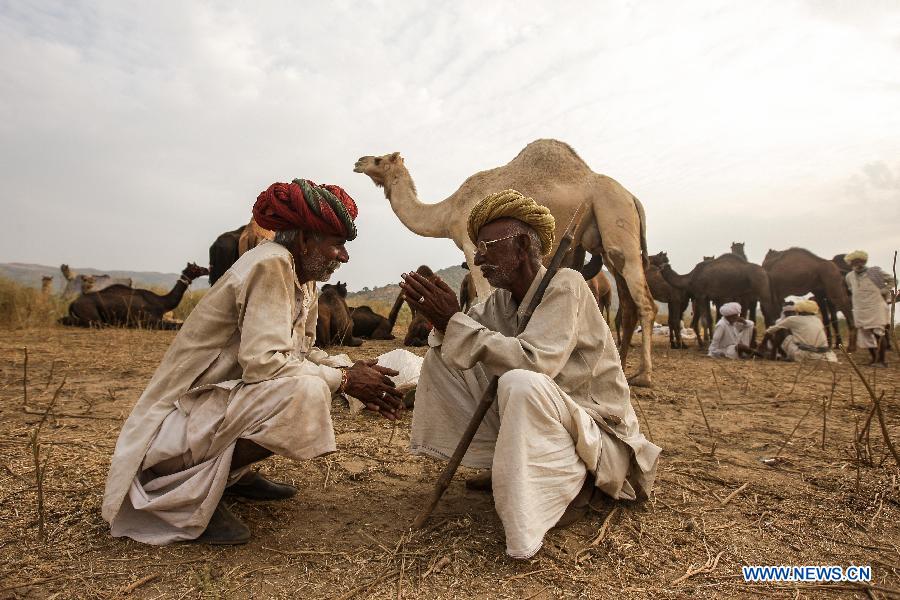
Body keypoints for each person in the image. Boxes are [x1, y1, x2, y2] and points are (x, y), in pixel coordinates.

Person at [102, 178, 404, 545]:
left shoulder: (302, 277)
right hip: (172, 427)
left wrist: (354, 369)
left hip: (208, 411)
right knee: (306, 391)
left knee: (314, 381)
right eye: (337, 244)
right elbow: (265, 364)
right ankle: (193, 493)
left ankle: (230, 475)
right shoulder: (270, 264)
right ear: (306, 240)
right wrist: (343, 380)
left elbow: (301, 351)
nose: (344, 256)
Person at [399, 189, 660, 560]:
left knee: (520, 380)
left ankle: (563, 494)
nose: (478, 258)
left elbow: (536, 364)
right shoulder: (499, 301)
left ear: (522, 246)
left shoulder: (566, 284)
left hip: (594, 428)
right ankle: (505, 464)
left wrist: (454, 324)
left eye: (487, 247)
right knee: (442, 356)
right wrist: (445, 321)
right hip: (549, 417)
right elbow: (464, 336)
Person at [845, 250, 893, 367]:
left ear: (864, 261)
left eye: (860, 261)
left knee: (878, 333)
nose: (858, 264)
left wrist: (884, 290)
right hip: (860, 308)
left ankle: (881, 361)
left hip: (876, 306)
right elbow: (852, 290)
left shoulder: (874, 272)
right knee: (865, 335)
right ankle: (873, 359)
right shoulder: (849, 276)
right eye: (855, 262)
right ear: (851, 264)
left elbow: (892, 280)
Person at [761, 299, 837, 362]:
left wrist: (763, 343)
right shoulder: (818, 320)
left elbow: (770, 331)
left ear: (799, 310)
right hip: (823, 355)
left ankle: (773, 356)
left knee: (781, 330)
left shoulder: (793, 319)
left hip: (803, 355)